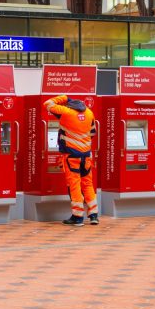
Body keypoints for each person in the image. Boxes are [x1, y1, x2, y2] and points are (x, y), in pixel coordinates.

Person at [45, 94, 99, 226]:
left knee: (74, 184)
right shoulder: (89, 112)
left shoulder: (67, 112)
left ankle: (77, 217)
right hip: (86, 155)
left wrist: (64, 97)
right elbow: (93, 133)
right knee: (87, 183)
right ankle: (93, 215)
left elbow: (48, 104)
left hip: (71, 156)